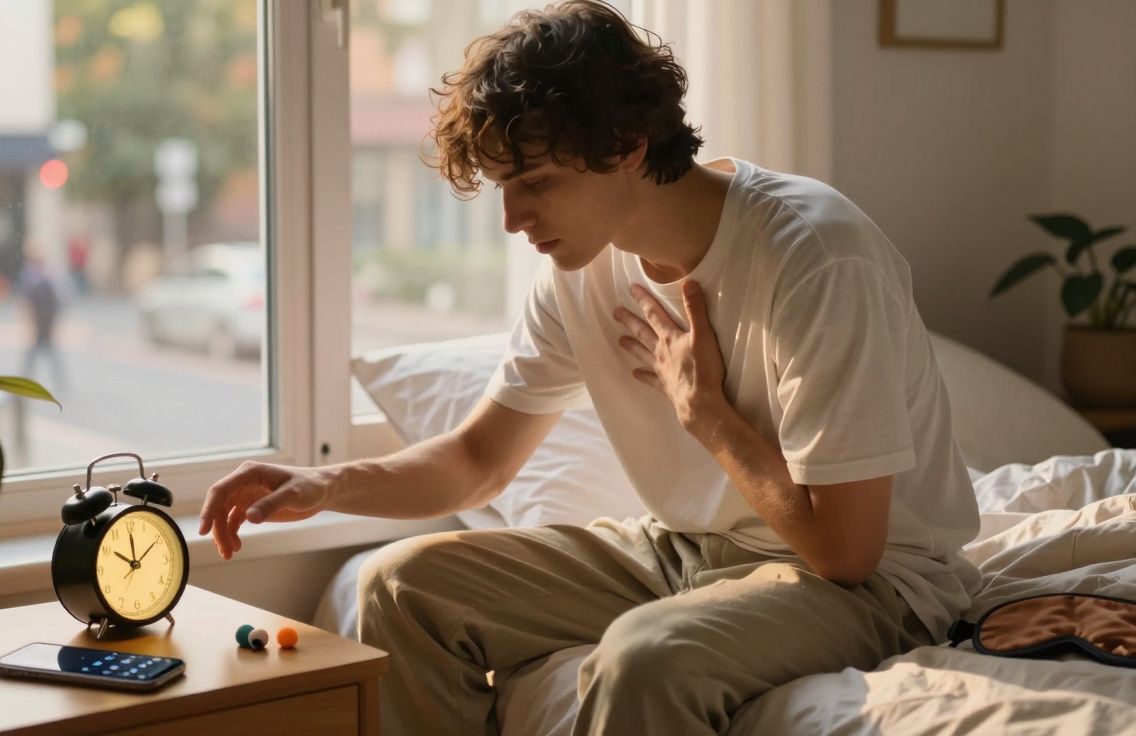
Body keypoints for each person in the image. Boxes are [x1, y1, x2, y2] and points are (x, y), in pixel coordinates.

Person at [198, 2, 982, 733]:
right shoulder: (581, 271)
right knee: (395, 589)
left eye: (536, 183)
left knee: (642, 659)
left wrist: (706, 413)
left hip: (873, 587)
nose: (512, 219)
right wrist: (320, 484)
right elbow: (477, 462)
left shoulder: (815, 256)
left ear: (627, 146)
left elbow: (846, 551)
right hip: (686, 549)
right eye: (505, 187)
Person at [17, 251, 66, 392]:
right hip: (43, 323)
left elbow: (51, 304)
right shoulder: (37, 278)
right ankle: (26, 380)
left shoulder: (41, 279)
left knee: (39, 355)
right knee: (42, 355)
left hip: (44, 323)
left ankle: (24, 381)